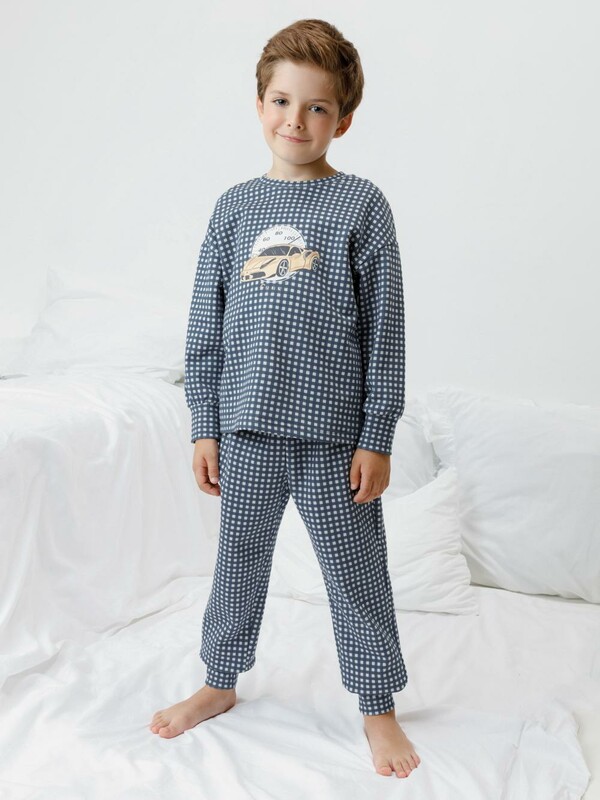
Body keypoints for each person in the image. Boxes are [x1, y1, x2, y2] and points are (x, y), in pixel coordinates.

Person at [149, 18, 421, 780]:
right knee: (237, 563)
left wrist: (376, 434)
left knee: (356, 573)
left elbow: (387, 331)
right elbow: (205, 327)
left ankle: (377, 706)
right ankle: (219, 681)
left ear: (344, 120)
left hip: (334, 438)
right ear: (259, 103)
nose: (295, 121)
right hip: (246, 432)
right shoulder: (233, 209)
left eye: (316, 107)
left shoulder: (362, 206)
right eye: (281, 101)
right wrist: (205, 425)